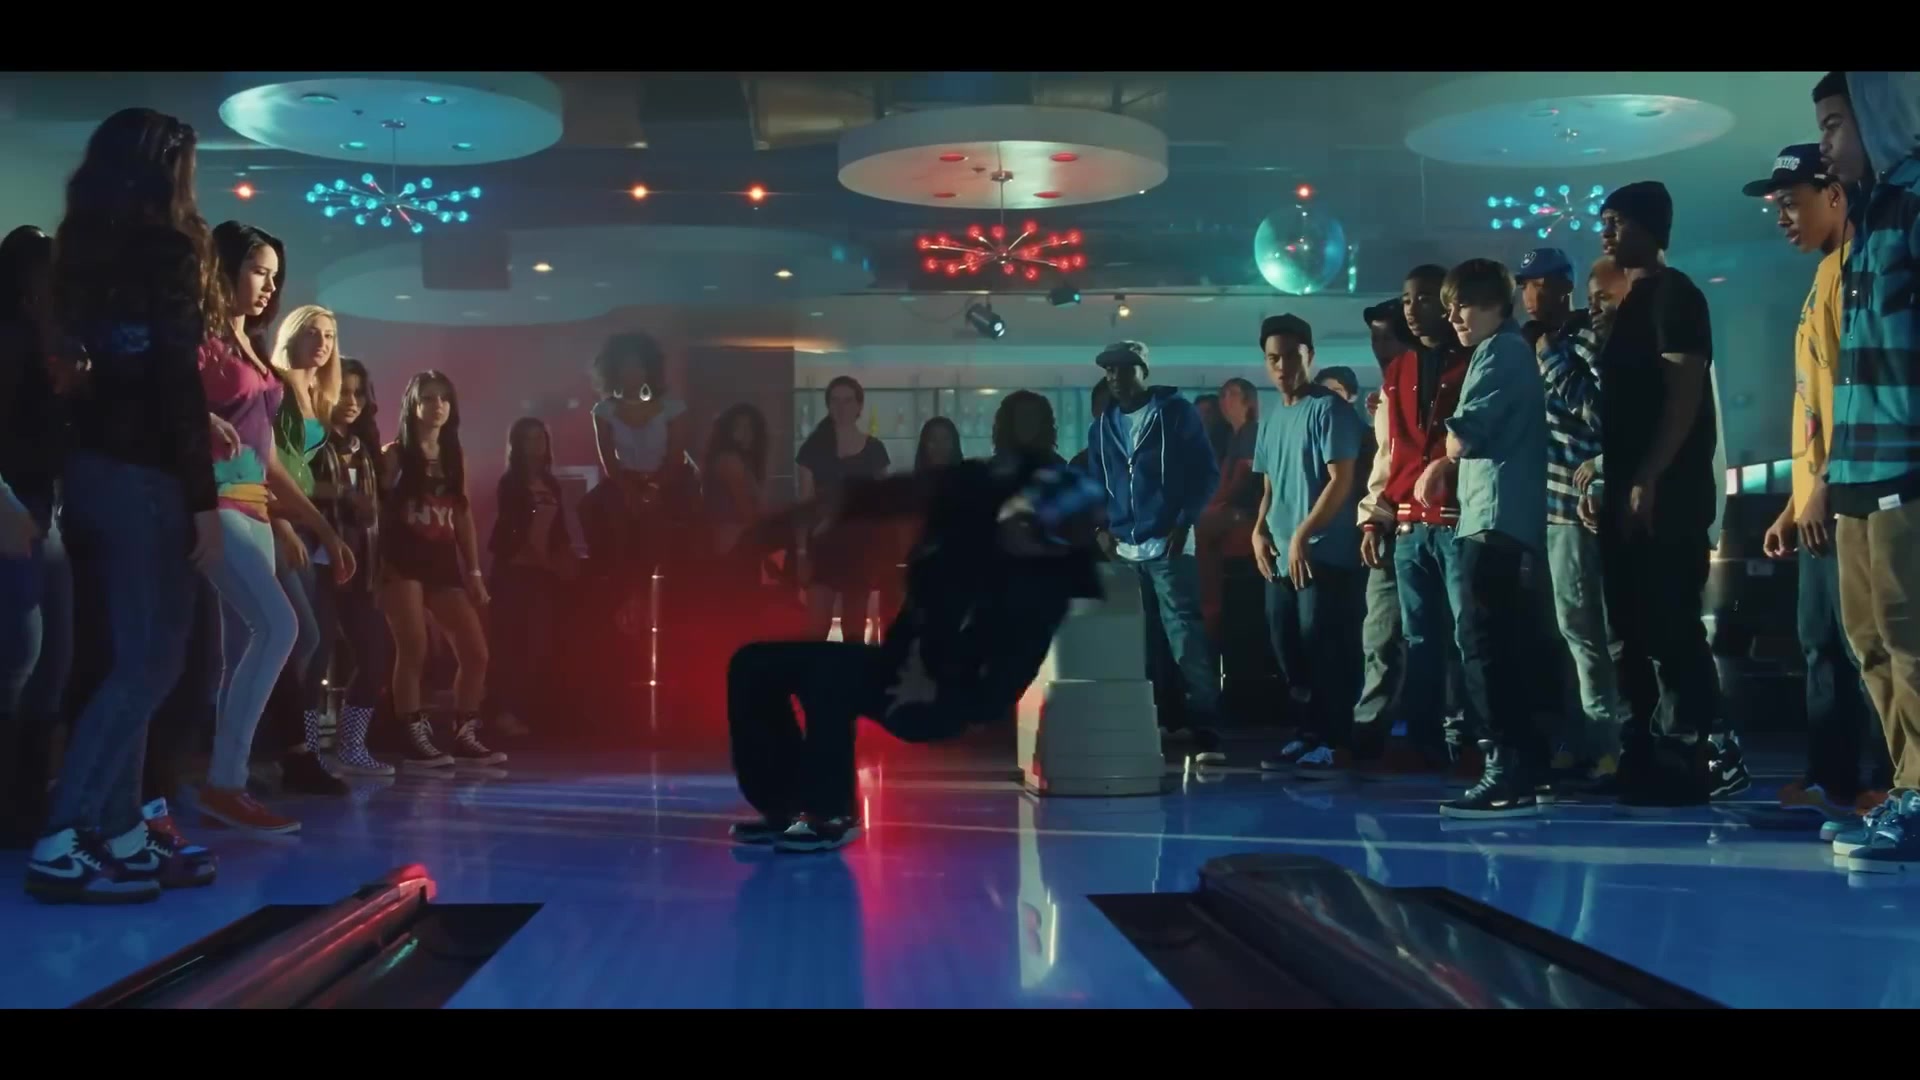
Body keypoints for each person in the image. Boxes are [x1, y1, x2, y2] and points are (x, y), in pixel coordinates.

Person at [726, 439, 1106, 852]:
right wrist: (802, 515)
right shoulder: (973, 497)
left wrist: (935, 682)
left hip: (943, 696)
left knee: (830, 680)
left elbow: (997, 689)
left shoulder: (1040, 596)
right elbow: (898, 492)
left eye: (1035, 538)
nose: (1017, 535)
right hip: (901, 660)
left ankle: (830, 813)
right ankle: (781, 806)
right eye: (1020, 521)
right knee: (753, 665)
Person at [28, 108, 223, 902]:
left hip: (90, 471)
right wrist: (203, 499)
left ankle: (117, 829)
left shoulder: (80, 252)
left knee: (132, 657)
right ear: (166, 167)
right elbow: (174, 381)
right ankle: (66, 836)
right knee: (152, 659)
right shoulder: (165, 250)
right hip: (147, 475)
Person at [1744, 143, 1888, 820]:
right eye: (1777, 206)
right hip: (1818, 503)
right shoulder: (1823, 277)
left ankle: (1886, 780)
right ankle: (1832, 778)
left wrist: (1826, 484)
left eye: (1791, 202)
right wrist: (1794, 501)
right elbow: (1812, 404)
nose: (1782, 217)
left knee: (1867, 645)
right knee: (1822, 643)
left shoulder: (1857, 272)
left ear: (1834, 195)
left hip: (1849, 495)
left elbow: (1858, 397)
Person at [1812, 71, 1920, 872]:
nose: (1826, 143)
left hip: (1906, 463)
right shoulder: (1870, 215)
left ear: (1878, 115)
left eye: (1834, 124)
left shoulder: (1913, 204)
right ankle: (1908, 787)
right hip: (1857, 467)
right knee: (1870, 642)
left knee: (1911, 639)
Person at [1592, 181, 1720, 811]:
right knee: (1627, 628)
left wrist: (1648, 475)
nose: (1606, 233)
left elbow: (1683, 394)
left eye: (1616, 221)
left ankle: (1687, 754)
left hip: (1669, 493)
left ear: (1649, 226)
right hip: (1623, 488)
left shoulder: (1677, 294)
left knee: (1669, 624)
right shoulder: (1628, 303)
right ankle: (1638, 751)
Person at [1425, 259, 1548, 817]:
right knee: (1498, 644)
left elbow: (1465, 435)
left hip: (1495, 519)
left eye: (1465, 304)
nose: (1454, 316)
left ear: (1498, 305)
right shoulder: (1501, 350)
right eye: (1451, 306)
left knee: (1484, 645)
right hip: (1495, 517)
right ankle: (1521, 764)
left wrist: (1440, 459)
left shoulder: (1500, 353)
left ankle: (1505, 767)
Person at [1520, 247, 1631, 790]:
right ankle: (1581, 737)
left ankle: (1608, 746)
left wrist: (1549, 357)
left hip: (1576, 506)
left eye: (1539, 283)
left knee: (1591, 633)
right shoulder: (1533, 342)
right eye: (1525, 284)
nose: (1530, 294)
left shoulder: (1586, 338)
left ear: (1563, 288)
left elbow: (1601, 412)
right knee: (1565, 634)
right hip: (1545, 507)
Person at [1358, 266, 1473, 770]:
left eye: (1423, 298)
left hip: (1460, 518)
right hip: (1408, 522)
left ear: (1446, 304)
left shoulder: (1473, 359)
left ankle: (1468, 738)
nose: (1411, 307)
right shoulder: (1398, 371)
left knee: (1468, 636)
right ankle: (1426, 739)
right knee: (1420, 638)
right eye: (1407, 298)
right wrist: (1376, 515)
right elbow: (1389, 452)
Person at [1083, 341, 1222, 749]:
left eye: (1125, 368)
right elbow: (1095, 486)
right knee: (1140, 643)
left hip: (1169, 544)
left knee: (1185, 637)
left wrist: (1183, 521)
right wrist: (1100, 529)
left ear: (1143, 370)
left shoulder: (1175, 413)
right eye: (1110, 370)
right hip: (1124, 549)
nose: (1115, 377)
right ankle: (1157, 720)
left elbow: (1205, 472)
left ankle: (1204, 722)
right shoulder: (1102, 427)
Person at [1248, 315, 1366, 777]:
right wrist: (1259, 530)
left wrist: (1303, 533)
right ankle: (1307, 733)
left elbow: (1342, 480)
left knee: (1326, 649)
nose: (1283, 367)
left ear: (1309, 356)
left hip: (1324, 554)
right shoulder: (1272, 417)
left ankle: (1334, 741)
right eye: (1273, 359)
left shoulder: (1330, 410)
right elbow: (1270, 486)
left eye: (1292, 357)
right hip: (1281, 557)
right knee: (1288, 649)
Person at [380, 371, 501, 770]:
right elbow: (375, 512)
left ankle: (464, 732)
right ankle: (411, 732)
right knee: (414, 647)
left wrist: (475, 572)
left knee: (475, 651)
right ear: (413, 405)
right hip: (402, 559)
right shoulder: (395, 454)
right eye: (429, 398)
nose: (438, 406)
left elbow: (462, 515)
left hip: (442, 561)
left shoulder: (453, 455)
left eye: (444, 398)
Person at [0, 225, 71, 849]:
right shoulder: (11, 338)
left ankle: (27, 800)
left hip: (45, 508)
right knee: (19, 658)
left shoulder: (51, 342)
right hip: (16, 505)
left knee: (50, 659)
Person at [314, 357, 391, 775]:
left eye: (359, 393)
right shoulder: (310, 436)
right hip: (316, 560)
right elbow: (291, 484)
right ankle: (306, 752)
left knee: (377, 652)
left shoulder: (364, 446)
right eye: (343, 391)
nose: (352, 401)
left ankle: (352, 746)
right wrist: (342, 492)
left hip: (361, 565)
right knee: (313, 656)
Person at [487, 417, 576, 740]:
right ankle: (503, 713)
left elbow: (559, 529)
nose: (536, 445)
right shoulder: (510, 483)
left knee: (539, 643)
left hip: (541, 573)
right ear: (517, 445)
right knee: (512, 643)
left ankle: (526, 710)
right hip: (515, 571)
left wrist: (565, 560)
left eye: (540, 438)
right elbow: (514, 531)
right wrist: (546, 562)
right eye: (529, 439)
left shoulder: (551, 484)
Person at [795, 376, 892, 642]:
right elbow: (804, 505)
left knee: (854, 630)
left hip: (860, 547)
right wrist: (801, 552)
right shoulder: (813, 448)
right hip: (822, 545)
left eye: (848, 400)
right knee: (816, 629)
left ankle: (850, 671)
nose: (841, 407)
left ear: (859, 406)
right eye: (835, 400)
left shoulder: (874, 450)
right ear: (828, 405)